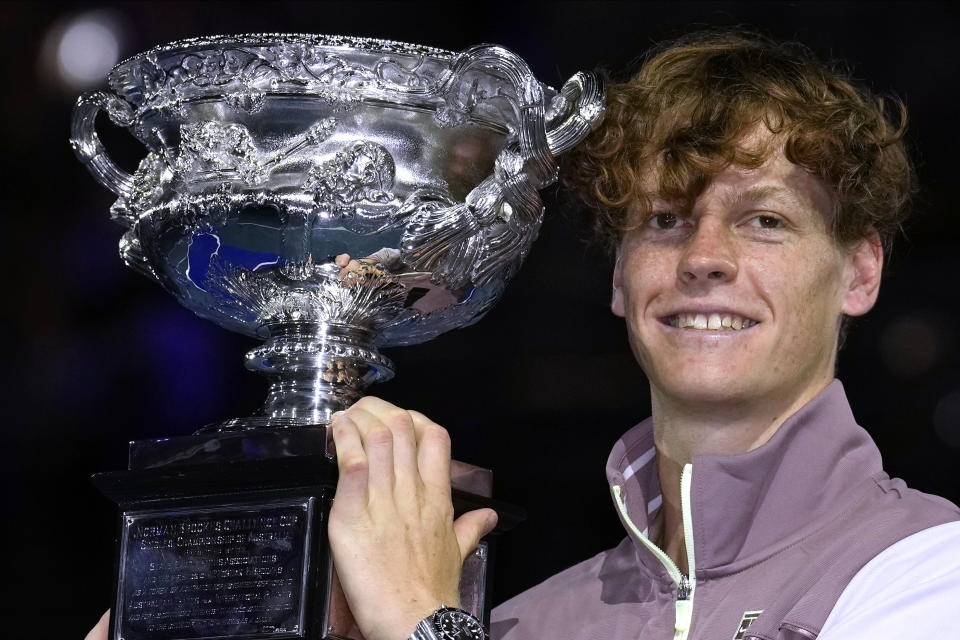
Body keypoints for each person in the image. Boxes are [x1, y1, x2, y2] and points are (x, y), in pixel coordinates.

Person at [86, 30, 960, 640]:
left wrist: (428, 626)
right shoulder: (523, 624)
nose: (704, 259)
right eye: (662, 220)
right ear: (619, 279)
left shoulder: (929, 571)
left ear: (860, 271)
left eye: (764, 221)